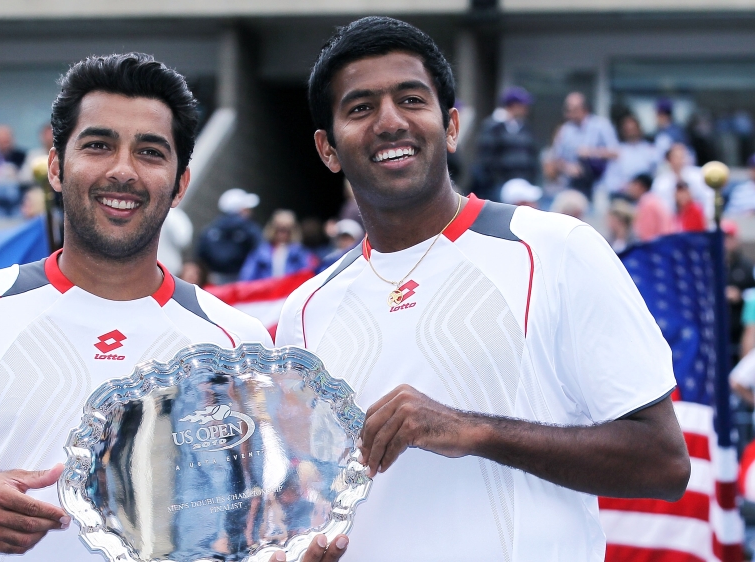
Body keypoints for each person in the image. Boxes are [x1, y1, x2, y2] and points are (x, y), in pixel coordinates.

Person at [0, 53, 347, 562]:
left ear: (181, 182)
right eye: (97, 145)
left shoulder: (240, 343)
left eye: (150, 151)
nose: (123, 171)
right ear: (56, 167)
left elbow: (256, 523)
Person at [277, 16, 689, 560]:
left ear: (450, 126)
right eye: (361, 108)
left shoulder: (556, 248)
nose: (390, 121)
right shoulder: (305, 309)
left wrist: (473, 430)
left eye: (411, 99)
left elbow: (664, 464)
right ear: (328, 150)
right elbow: (308, 498)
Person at [472, 86, 539, 201]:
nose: (526, 109)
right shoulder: (493, 126)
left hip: (523, 185)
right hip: (499, 187)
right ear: (514, 106)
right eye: (523, 105)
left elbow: (531, 155)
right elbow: (486, 159)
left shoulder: (525, 127)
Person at [547, 92, 619, 199]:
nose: (570, 113)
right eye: (568, 110)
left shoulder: (601, 125)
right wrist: (568, 167)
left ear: (585, 109)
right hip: (573, 185)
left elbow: (615, 153)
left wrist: (592, 152)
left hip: (599, 186)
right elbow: (556, 159)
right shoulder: (565, 130)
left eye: (574, 109)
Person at [196, 188, 264, 284]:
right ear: (241, 210)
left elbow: (200, 255)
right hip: (241, 283)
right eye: (246, 208)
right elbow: (261, 252)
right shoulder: (250, 229)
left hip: (212, 281)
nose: (250, 211)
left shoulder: (210, 228)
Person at [239, 209, 316, 281]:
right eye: (279, 229)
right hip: (267, 291)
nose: (282, 233)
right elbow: (247, 277)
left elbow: (309, 275)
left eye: (286, 230)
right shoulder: (260, 252)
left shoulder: (300, 252)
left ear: (292, 230)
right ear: (273, 229)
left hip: (291, 291)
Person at [652, 142, 713, 223]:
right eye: (676, 156)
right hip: (671, 223)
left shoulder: (699, 175)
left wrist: (707, 218)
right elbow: (660, 207)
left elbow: (709, 197)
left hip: (699, 220)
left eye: (683, 156)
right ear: (668, 159)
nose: (681, 159)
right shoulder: (660, 183)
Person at [600, 114, 658, 195]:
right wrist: (625, 187)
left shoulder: (650, 150)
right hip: (623, 195)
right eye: (628, 130)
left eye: (633, 129)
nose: (631, 132)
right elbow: (610, 180)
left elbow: (657, 175)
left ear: (639, 129)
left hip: (646, 194)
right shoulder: (618, 152)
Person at [723, 219, 755, 362]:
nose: (726, 242)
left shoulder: (747, 267)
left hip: (741, 330)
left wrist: (739, 295)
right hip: (718, 330)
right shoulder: (711, 266)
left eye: (729, 237)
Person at [623, 173, 673, 243]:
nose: (629, 188)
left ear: (639, 186)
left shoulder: (647, 203)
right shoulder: (653, 199)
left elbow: (647, 235)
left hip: (657, 246)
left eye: (632, 185)